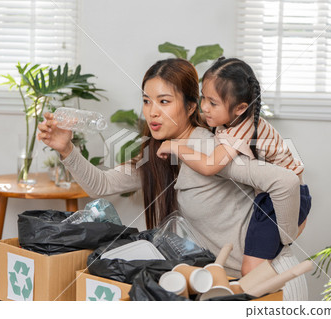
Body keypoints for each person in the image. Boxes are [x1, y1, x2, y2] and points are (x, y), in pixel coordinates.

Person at [37, 58, 308, 300]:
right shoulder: (160, 154)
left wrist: (286, 238)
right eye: (146, 101)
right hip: (225, 286)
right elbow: (102, 185)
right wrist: (66, 149)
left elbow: (285, 182)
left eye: (164, 101)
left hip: (270, 285)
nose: (152, 112)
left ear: (192, 107)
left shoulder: (210, 151)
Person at [157, 57, 311, 274]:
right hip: (267, 195)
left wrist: (175, 146)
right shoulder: (232, 120)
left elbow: (210, 166)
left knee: (250, 269)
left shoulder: (241, 130)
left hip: (282, 197)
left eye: (213, 103)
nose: (204, 108)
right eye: (203, 98)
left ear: (240, 108)